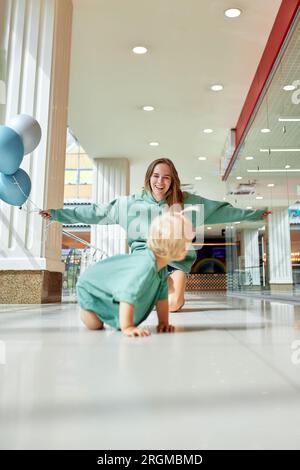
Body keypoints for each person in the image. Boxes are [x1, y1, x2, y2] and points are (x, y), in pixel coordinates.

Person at [40, 158, 267, 312]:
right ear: (149, 177)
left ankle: (156, 292)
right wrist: (58, 214)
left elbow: (222, 210)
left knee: (175, 305)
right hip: (146, 260)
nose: (160, 181)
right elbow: (95, 212)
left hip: (176, 261)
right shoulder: (129, 204)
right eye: (156, 176)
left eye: (166, 177)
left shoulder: (189, 203)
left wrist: (256, 213)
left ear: (172, 180)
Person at [77, 211, 194, 337]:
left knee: (123, 313)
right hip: (90, 289)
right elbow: (127, 294)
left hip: (110, 291)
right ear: (174, 245)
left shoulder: (161, 268)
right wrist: (127, 327)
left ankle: (110, 314)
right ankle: (86, 310)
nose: (189, 247)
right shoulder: (145, 265)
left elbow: (162, 299)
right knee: (95, 325)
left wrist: (163, 322)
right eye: (186, 243)